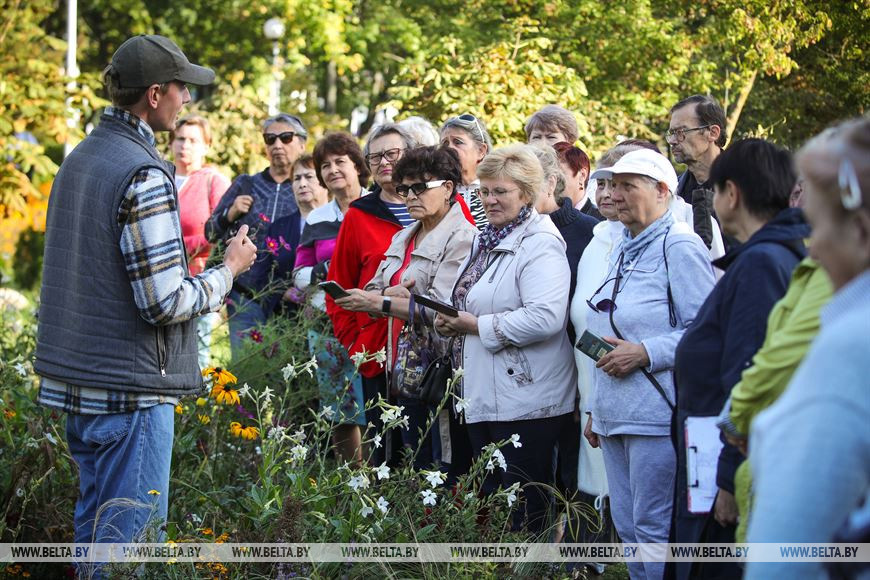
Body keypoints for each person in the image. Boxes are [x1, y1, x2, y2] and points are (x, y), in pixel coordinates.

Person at [33, 35, 256, 557]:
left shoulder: (78, 159)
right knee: (129, 552)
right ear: (155, 94)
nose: (187, 99)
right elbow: (163, 302)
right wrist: (228, 271)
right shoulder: (145, 173)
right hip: (130, 393)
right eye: (181, 88)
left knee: (95, 537)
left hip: (81, 384)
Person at [671, 139, 809, 580]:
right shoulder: (767, 256)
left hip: (725, 469)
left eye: (713, 190)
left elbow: (751, 376)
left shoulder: (762, 264)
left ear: (731, 193)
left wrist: (728, 480)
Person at [746, 118, 870, 579]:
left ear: (861, 232)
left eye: (816, 227)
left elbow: (784, 555)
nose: (812, 249)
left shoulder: (851, 350)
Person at [584, 148, 715, 579]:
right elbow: (605, 326)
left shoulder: (680, 244)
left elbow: (706, 333)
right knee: (628, 529)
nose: (615, 194)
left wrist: (646, 352)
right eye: (611, 185)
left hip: (656, 416)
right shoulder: (623, 245)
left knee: (652, 529)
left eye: (627, 185)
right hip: (614, 412)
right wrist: (596, 409)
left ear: (662, 191)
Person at [435, 144, 576, 534]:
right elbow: (470, 300)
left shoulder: (540, 242)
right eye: (484, 191)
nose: (490, 200)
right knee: (498, 508)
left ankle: (535, 565)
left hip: (526, 399)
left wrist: (475, 326)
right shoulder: (486, 238)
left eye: (501, 191)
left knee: (527, 512)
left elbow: (546, 317)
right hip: (487, 393)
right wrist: (446, 318)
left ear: (527, 194)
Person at [333, 146, 477, 469]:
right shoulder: (404, 235)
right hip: (400, 368)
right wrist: (387, 294)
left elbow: (443, 311)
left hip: (440, 372)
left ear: (448, 188)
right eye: (404, 189)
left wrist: (383, 302)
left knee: (439, 467)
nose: (410, 196)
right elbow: (373, 288)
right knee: (403, 463)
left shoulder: (464, 237)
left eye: (420, 187)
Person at [295, 132, 370, 464]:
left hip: (373, 323)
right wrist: (327, 269)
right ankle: (352, 478)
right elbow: (299, 276)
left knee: (377, 404)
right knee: (340, 407)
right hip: (328, 325)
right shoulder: (317, 219)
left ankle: (382, 480)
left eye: (340, 162)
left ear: (358, 166)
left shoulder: (378, 207)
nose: (333, 170)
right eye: (325, 165)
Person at [206, 112, 307, 357]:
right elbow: (209, 232)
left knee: (284, 370)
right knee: (247, 369)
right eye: (270, 139)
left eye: (285, 137)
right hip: (245, 296)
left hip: (288, 300)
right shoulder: (246, 184)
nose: (277, 145)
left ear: (302, 144)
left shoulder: (307, 188)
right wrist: (230, 213)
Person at [170, 114, 231, 368]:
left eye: (193, 140)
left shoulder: (213, 181)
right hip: (160, 279)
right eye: (180, 138)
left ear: (207, 145)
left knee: (197, 356)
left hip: (199, 280)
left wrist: (176, 246)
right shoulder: (160, 175)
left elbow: (221, 231)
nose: (185, 145)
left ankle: (201, 394)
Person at [667, 95, 727, 250]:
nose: (672, 140)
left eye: (681, 132)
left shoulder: (746, 185)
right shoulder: (673, 191)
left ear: (713, 133)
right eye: (671, 133)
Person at [439, 113, 493, 230]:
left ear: (481, 151)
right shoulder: (438, 192)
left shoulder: (498, 190)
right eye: (445, 144)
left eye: (458, 142)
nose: (449, 148)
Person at [553, 141, 602, 220]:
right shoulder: (541, 218)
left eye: (557, 175)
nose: (551, 183)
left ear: (582, 175)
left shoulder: (601, 222)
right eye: (545, 175)